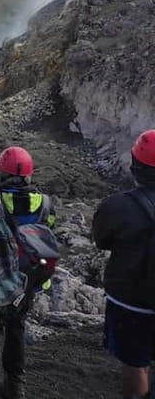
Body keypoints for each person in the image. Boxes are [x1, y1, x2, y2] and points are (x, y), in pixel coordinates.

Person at [0, 146, 56, 399]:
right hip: (28, 279)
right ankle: (15, 386)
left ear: (1, 172)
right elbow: (48, 232)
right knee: (16, 329)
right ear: (28, 175)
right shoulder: (45, 204)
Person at [93, 130, 155, 399]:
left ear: (134, 166)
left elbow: (102, 240)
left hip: (130, 301)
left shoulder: (116, 206)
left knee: (134, 362)